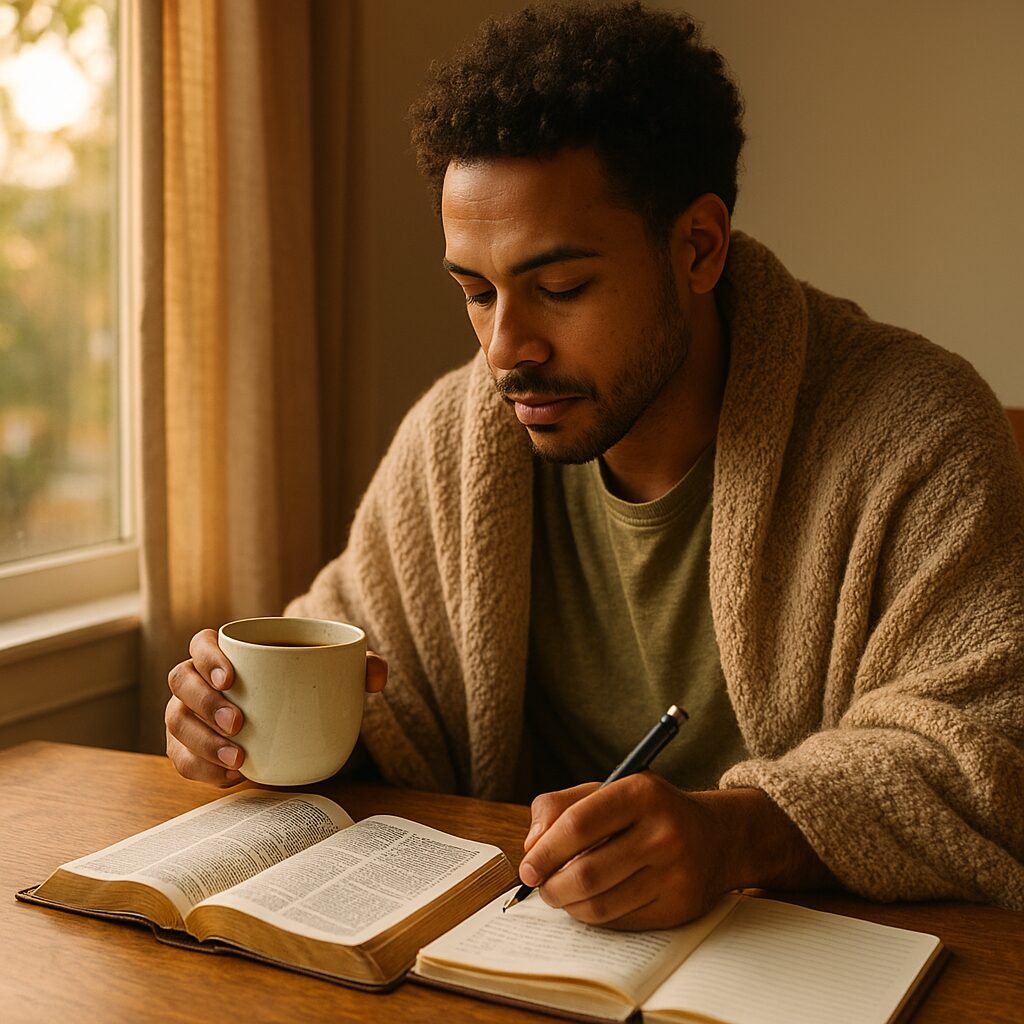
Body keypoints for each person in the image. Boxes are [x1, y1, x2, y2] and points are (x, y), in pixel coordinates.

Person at [164, 2, 1024, 928]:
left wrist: (740, 834)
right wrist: (235, 723)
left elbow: (989, 747)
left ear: (698, 248)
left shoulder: (915, 432)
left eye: (560, 287)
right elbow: (375, 688)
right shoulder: (457, 440)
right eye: (477, 292)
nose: (505, 349)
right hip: (515, 954)